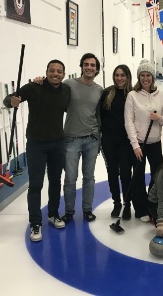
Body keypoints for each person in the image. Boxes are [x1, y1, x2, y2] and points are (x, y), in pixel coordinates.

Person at [4, 60, 70, 242]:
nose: (55, 74)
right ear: (46, 72)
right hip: (36, 144)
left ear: (64, 74)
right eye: (52, 71)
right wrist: (12, 101)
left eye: (59, 71)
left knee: (56, 181)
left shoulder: (66, 91)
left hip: (58, 143)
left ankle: (53, 213)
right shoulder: (34, 87)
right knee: (36, 185)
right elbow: (8, 99)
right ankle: (35, 223)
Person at [60, 53, 103, 223]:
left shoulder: (99, 90)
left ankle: (87, 209)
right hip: (71, 139)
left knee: (89, 177)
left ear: (97, 69)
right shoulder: (69, 84)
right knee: (70, 178)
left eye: (93, 65)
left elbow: (98, 115)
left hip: (92, 139)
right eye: (86, 64)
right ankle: (69, 211)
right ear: (81, 66)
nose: (89, 68)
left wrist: (99, 138)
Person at [124, 59, 163, 222]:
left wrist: (159, 118)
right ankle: (140, 209)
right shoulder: (132, 95)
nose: (145, 78)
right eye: (142, 75)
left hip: (155, 143)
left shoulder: (161, 95)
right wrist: (135, 145)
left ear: (153, 77)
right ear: (138, 77)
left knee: (157, 176)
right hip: (139, 144)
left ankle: (152, 205)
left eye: (148, 75)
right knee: (138, 177)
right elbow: (129, 121)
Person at [99, 64, 134, 219]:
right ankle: (116, 203)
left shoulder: (133, 94)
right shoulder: (107, 93)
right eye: (117, 75)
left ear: (128, 77)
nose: (119, 78)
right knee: (112, 172)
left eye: (123, 75)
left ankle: (127, 204)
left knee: (126, 173)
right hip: (109, 139)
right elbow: (100, 115)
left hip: (126, 140)